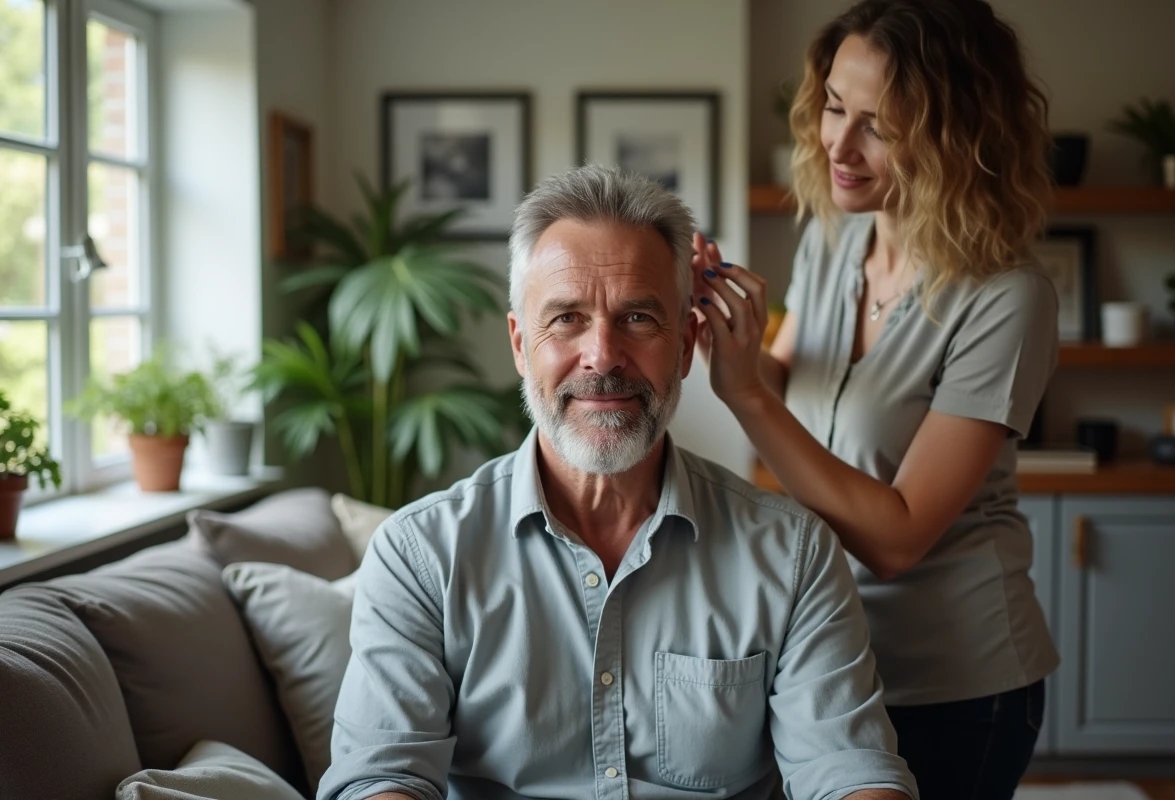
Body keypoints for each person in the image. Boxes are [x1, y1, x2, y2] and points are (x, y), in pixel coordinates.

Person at [317, 165, 917, 800]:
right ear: (522, 345)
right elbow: (382, 777)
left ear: (687, 343)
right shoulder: (419, 555)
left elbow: (848, 771)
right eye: (567, 318)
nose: (602, 356)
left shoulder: (794, 556)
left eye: (637, 318)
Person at [691, 2, 1059, 799]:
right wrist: (728, 335)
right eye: (833, 107)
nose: (839, 146)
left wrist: (749, 392)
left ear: (957, 138)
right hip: (830, 652)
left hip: (956, 681)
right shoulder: (835, 237)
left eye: (879, 127)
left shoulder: (1008, 296)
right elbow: (787, 390)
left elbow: (896, 537)